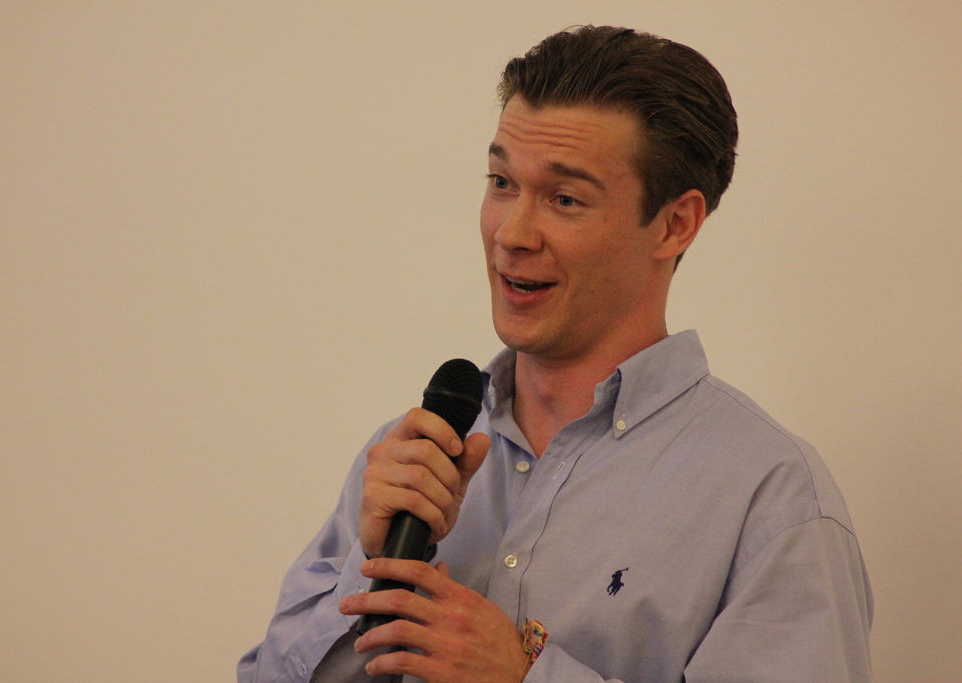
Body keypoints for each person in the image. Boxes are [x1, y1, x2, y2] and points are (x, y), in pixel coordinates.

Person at [238, 25, 873, 683]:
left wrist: (525, 675)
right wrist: (372, 565)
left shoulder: (774, 499)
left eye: (564, 199)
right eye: (501, 182)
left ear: (674, 224)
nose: (512, 233)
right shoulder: (411, 457)